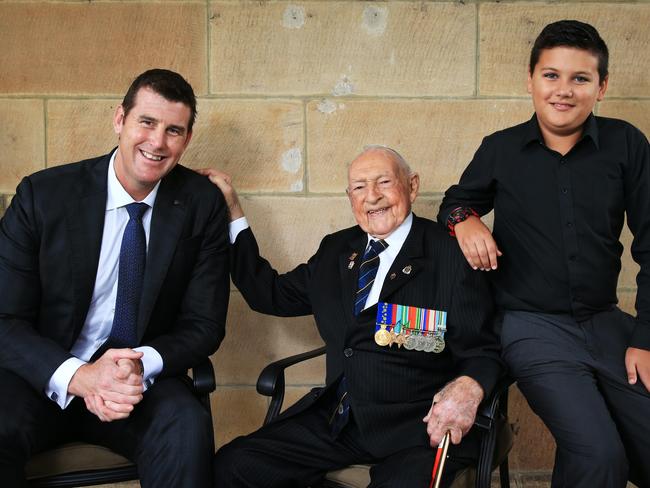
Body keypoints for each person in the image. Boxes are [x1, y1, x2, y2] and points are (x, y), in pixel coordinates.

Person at [204, 146, 502, 487]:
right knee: (234, 465)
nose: (372, 197)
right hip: (339, 419)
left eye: (384, 182)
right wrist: (232, 211)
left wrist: (468, 389)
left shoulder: (451, 255)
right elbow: (267, 293)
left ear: (412, 186)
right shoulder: (336, 250)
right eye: (359, 187)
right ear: (350, 197)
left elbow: (484, 350)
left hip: (417, 427)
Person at [438, 20, 650, 488]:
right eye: (551, 75)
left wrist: (645, 337)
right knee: (599, 455)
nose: (564, 91)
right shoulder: (500, 149)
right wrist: (465, 220)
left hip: (606, 322)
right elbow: (454, 203)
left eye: (580, 78)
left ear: (602, 87)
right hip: (530, 326)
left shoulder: (628, 144)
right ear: (530, 80)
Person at [0, 68, 230, 487]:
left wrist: (136, 367)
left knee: (185, 423)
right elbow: (4, 320)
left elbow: (205, 325)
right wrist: (81, 377)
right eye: (146, 122)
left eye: (173, 130)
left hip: (137, 384)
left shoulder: (201, 206)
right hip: (40, 378)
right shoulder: (43, 196)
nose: (157, 142)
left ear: (187, 139)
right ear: (119, 120)